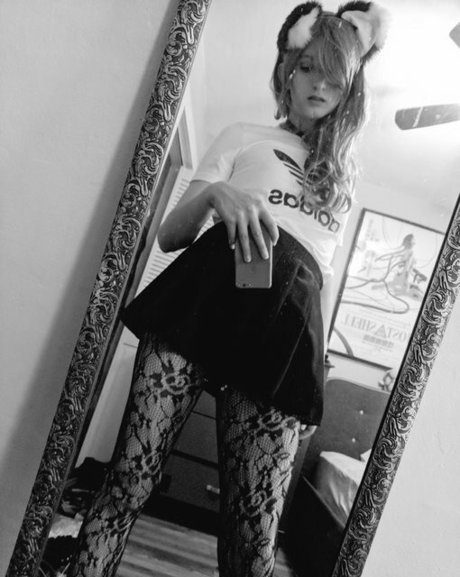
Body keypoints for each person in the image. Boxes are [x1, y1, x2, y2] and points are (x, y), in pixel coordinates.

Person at [69, 2, 389, 576]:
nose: (318, 85)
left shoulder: (344, 180)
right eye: (308, 67)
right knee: (129, 482)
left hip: (285, 330)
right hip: (205, 300)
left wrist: (314, 382)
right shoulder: (244, 135)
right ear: (287, 71)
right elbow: (171, 235)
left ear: (350, 90)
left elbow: (323, 285)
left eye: (333, 76)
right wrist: (218, 195)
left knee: (253, 541)